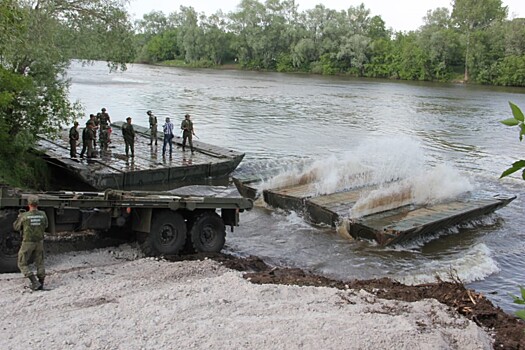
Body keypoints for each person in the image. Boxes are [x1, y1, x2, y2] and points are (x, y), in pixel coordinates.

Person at [14, 195, 48, 291]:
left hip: (27, 243)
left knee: (22, 263)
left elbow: (16, 227)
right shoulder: (43, 214)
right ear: (37, 204)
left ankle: (34, 282)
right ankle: (41, 283)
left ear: (28, 204)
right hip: (39, 242)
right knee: (40, 262)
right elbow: (46, 225)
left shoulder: (24, 216)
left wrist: (19, 217)